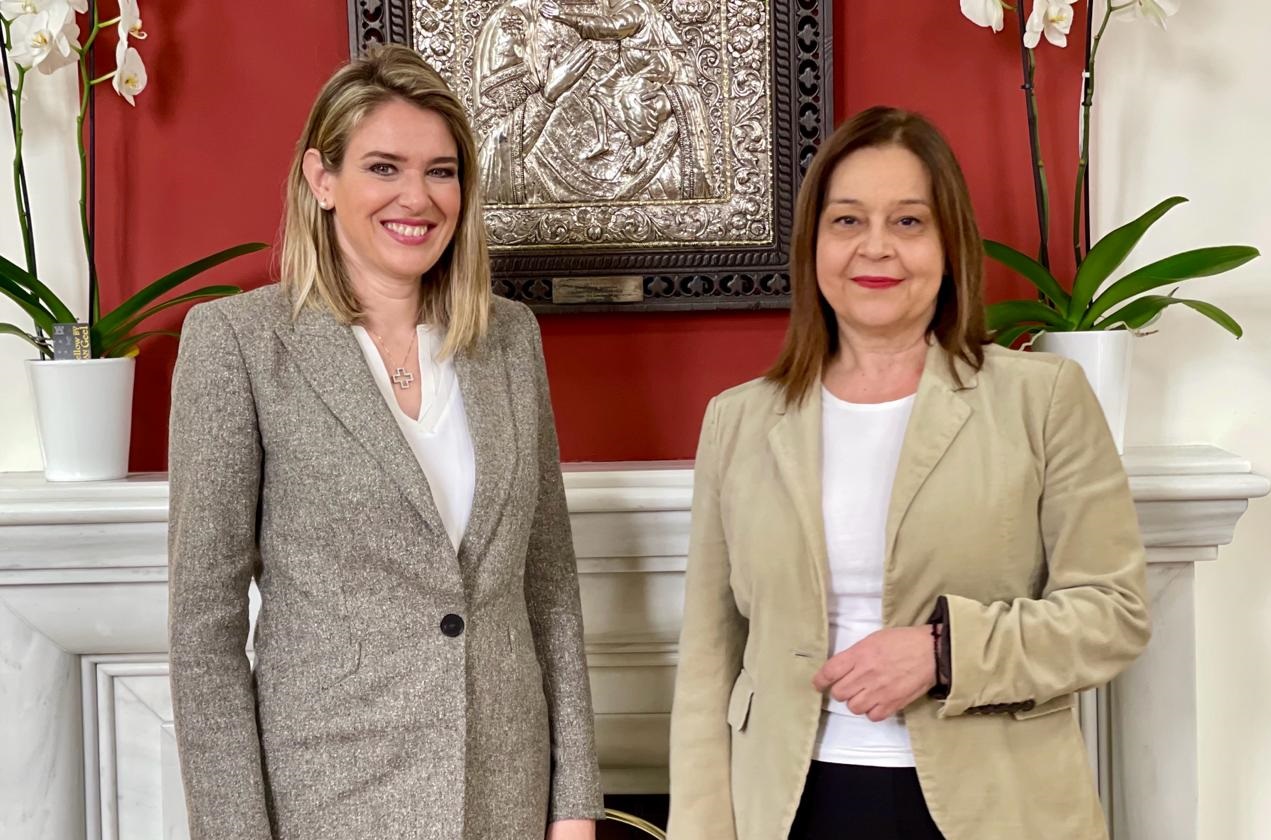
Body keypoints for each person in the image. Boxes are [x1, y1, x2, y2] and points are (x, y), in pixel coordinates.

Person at [666, 106, 1151, 840]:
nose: (875, 247)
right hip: (789, 805)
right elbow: (709, 659)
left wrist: (943, 653)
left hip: (997, 803)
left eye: (908, 222)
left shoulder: (1043, 398)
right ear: (813, 244)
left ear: (949, 244)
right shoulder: (737, 421)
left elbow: (1113, 613)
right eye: (847, 221)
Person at [167, 44, 603, 840]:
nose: (418, 197)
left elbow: (548, 586)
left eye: (441, 172)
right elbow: (205, 632)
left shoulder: (509, 338)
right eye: (383, 168)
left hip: (504, 792)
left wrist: (573, 803)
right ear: (321, 179)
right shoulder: (238, 342)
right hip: (329, 799)